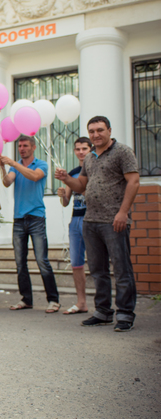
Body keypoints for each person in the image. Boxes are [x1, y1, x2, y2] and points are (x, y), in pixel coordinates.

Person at [56, 116, 140, 331]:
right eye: (91, 131)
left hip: (114, 221)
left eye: (100, 130)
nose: (95, 135)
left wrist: (123, 212)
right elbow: (80, 184)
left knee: (121, 269)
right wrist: (66, 179)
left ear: (109, 130)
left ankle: (125, 313)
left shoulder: (123, 151)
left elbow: (134, 181)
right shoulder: (90, 157)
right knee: (97, 270)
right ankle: (103, 312)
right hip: (90, 221)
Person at [0, 135, 60, 313]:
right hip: (19, 219)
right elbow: (7, 182)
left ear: (33, 147)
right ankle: (26, 299)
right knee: (20, 262)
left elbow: (34, 177)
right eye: (19, 146)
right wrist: (3, 168)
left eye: (25, 146)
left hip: (36, 218)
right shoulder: (15, 167)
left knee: (42, 260)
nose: (22, 149)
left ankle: (53, 300)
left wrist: (13, 164)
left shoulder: (41, 165)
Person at [56, 137, 92, 314]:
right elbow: (65, 202)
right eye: (77, 149)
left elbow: (92, 194)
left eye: (84, 148)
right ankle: (81, 302)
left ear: (91, 149)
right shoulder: (74, 172)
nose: (81, 152)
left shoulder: (95, 170)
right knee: (76, 263)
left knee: (96, 262)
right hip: (75, 220)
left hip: (92, 218)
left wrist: (76, 186)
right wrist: (62, 194)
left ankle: (103, 305)